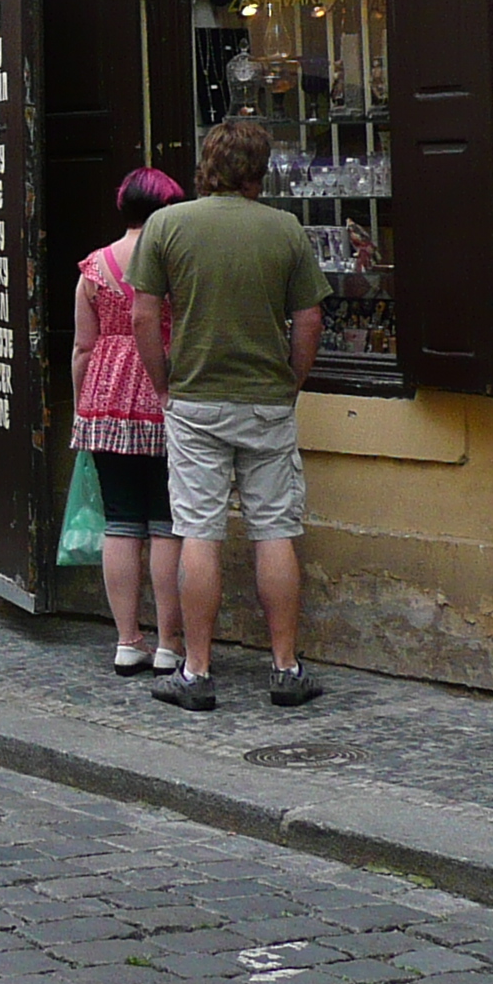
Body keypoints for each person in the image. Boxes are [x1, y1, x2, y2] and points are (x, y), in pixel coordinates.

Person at [132, 118, 330, 712]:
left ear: (207, 164)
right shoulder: (285, 230)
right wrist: (291, 381)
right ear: (259, 169)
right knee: (275, 529)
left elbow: (145, 316)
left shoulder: (168, 225)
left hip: (195, 399)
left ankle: (196, 671)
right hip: (265, 398)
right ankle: (286, 666)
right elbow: (310, 320)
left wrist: (163, 383)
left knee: (199, 530)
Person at [70, 167, 187, 678]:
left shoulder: (94, 266)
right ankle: (169, 644)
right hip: (163, 392)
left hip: (106, 396)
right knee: (166, 524)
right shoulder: (174, 262)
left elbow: (81, 347)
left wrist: (84, 403)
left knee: (120, 521)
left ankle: (126, 641)